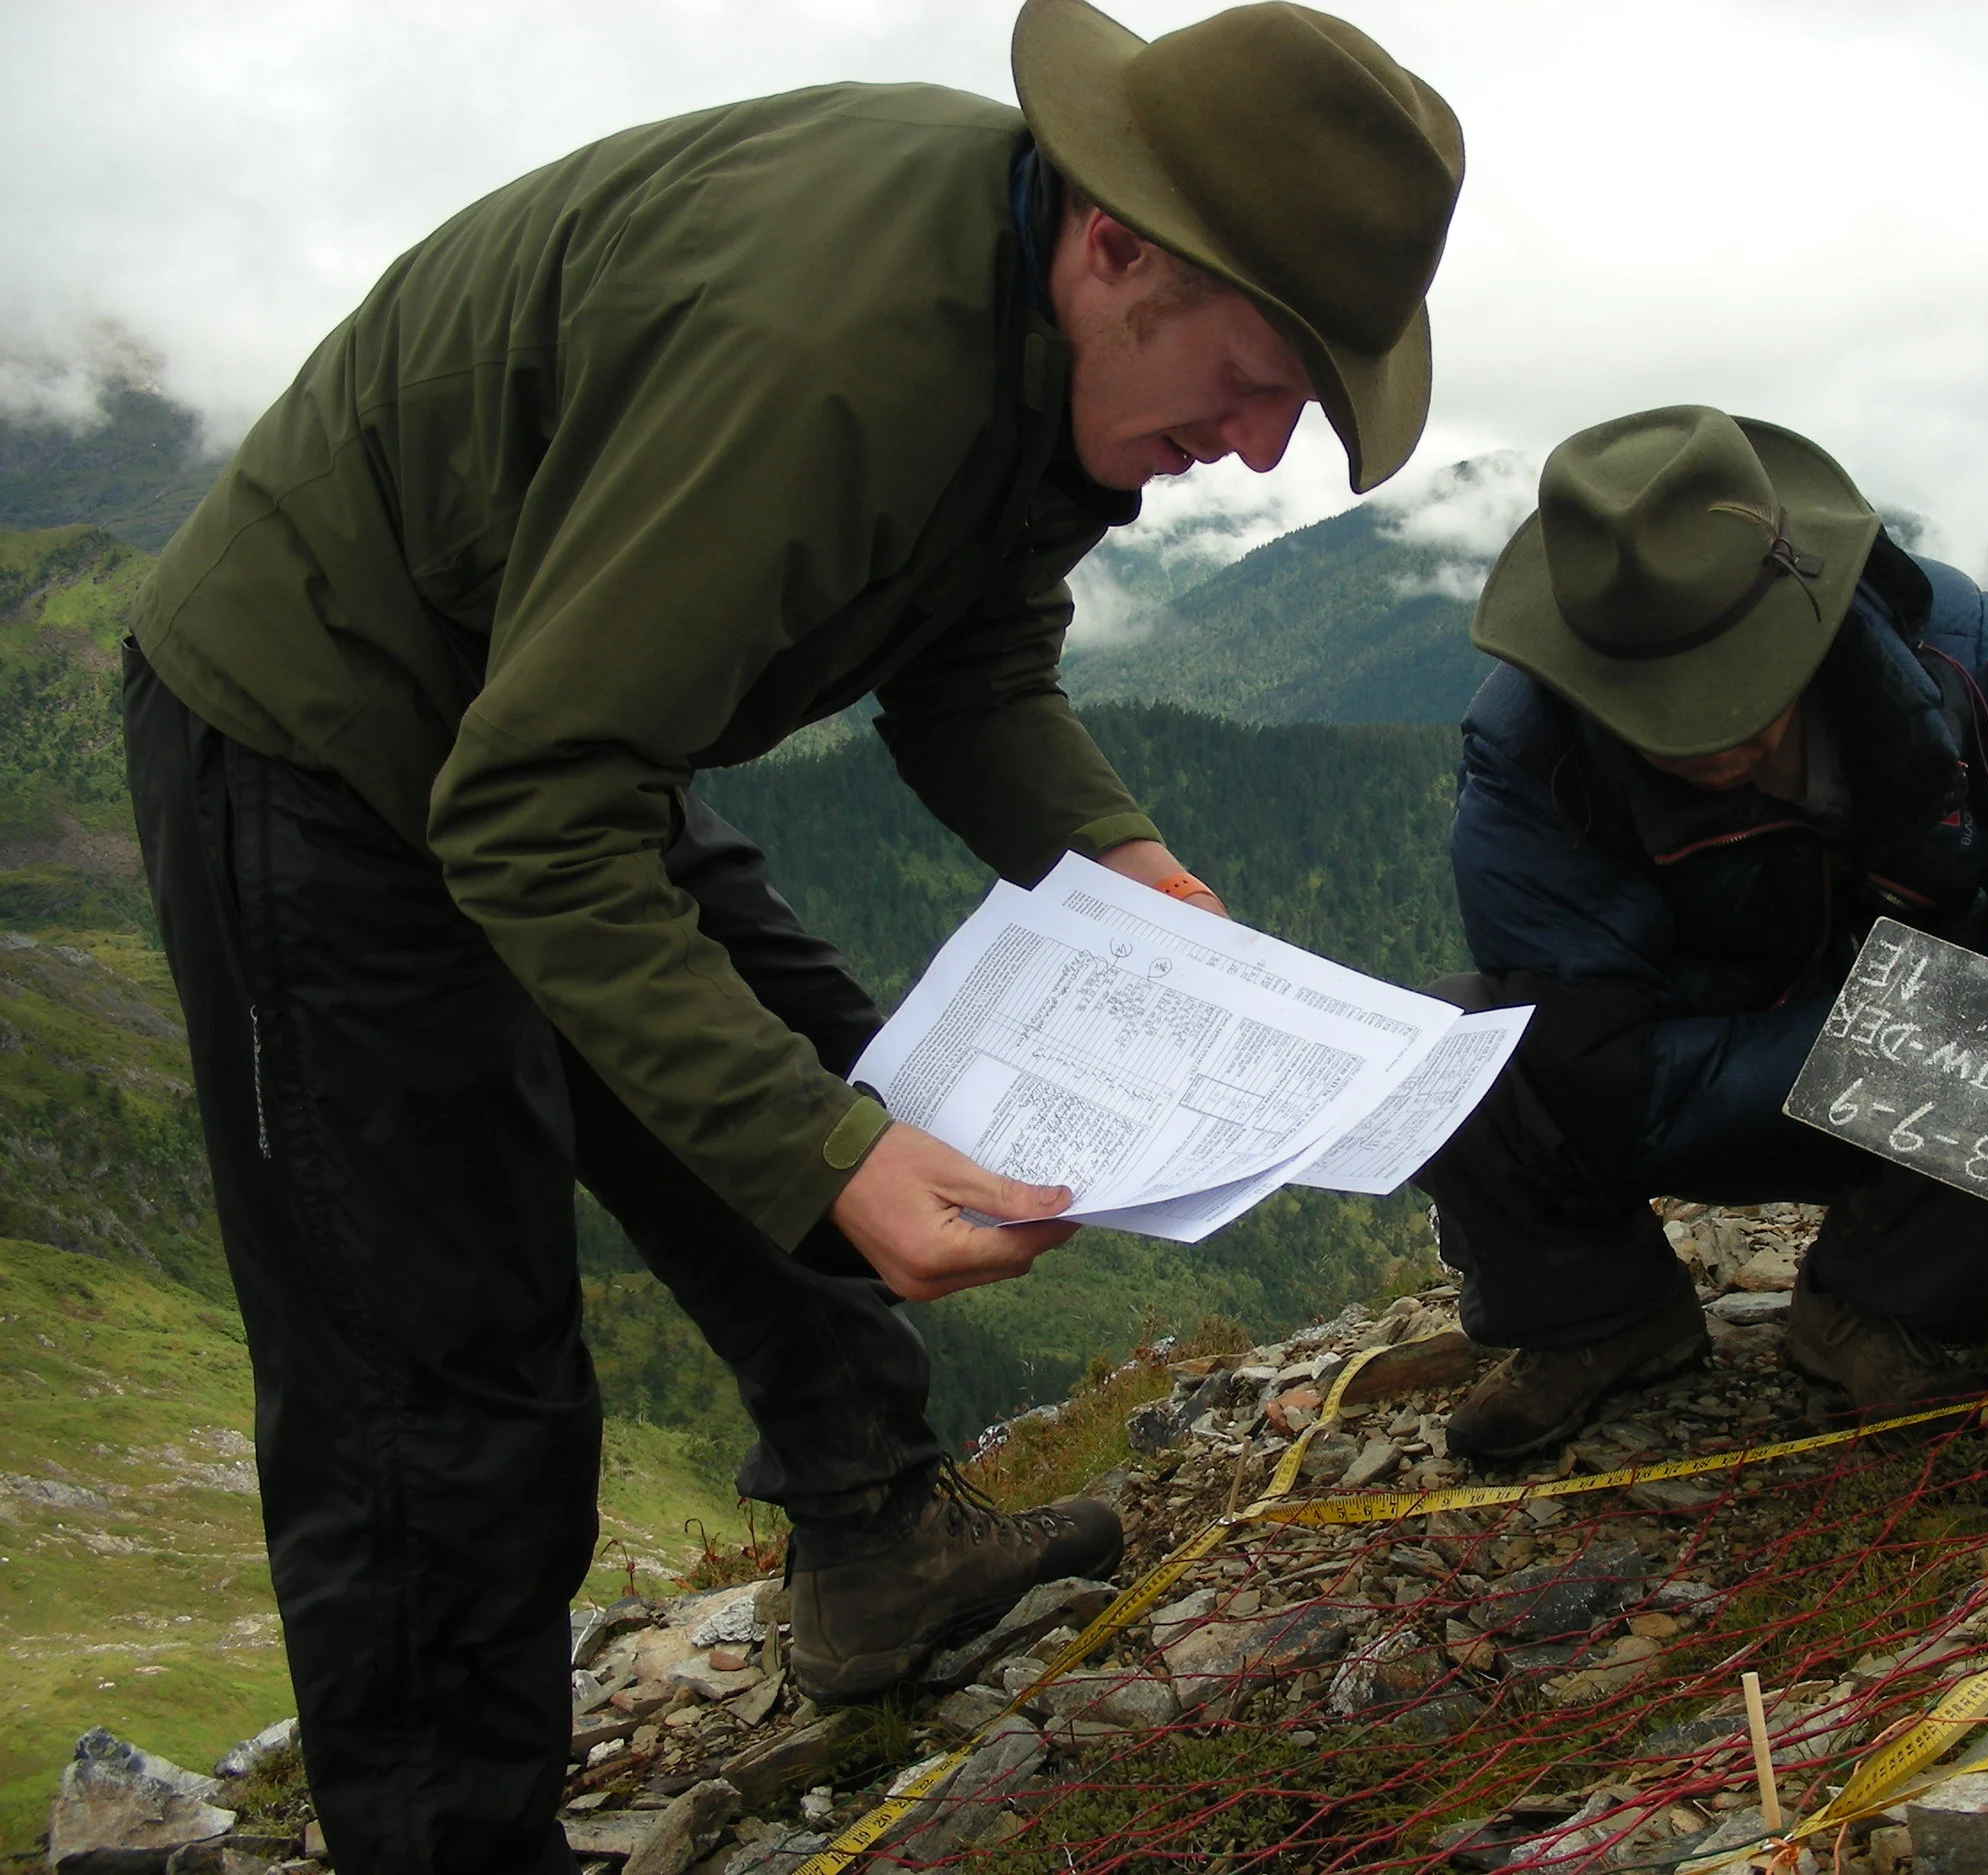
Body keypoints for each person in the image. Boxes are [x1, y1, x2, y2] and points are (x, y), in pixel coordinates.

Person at [119, 3, 1462, 1867]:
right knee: (441, 1386)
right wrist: (827, 1158)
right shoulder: (824, 361)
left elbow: (969, 662)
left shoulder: (1038, 320)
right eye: (1254, 382)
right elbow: (525, 812)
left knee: (860, 1086)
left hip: (555, 720)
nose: (1252, 452)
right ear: (1122, 245)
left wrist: (1126, 864)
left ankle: (882, 1545)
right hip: (319, 743)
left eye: (1297, 412)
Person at [1417, 406, 1988, 1461]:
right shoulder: (1529, 752)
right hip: (1690, 1081)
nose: (1706, 736)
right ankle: (1596, 1318)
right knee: (1439, 1047)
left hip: (1907, 1063)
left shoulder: (1955, 650)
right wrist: (1890, 1032)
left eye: (1735, 687)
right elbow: (1589, 1058)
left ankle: (1877, 1312)